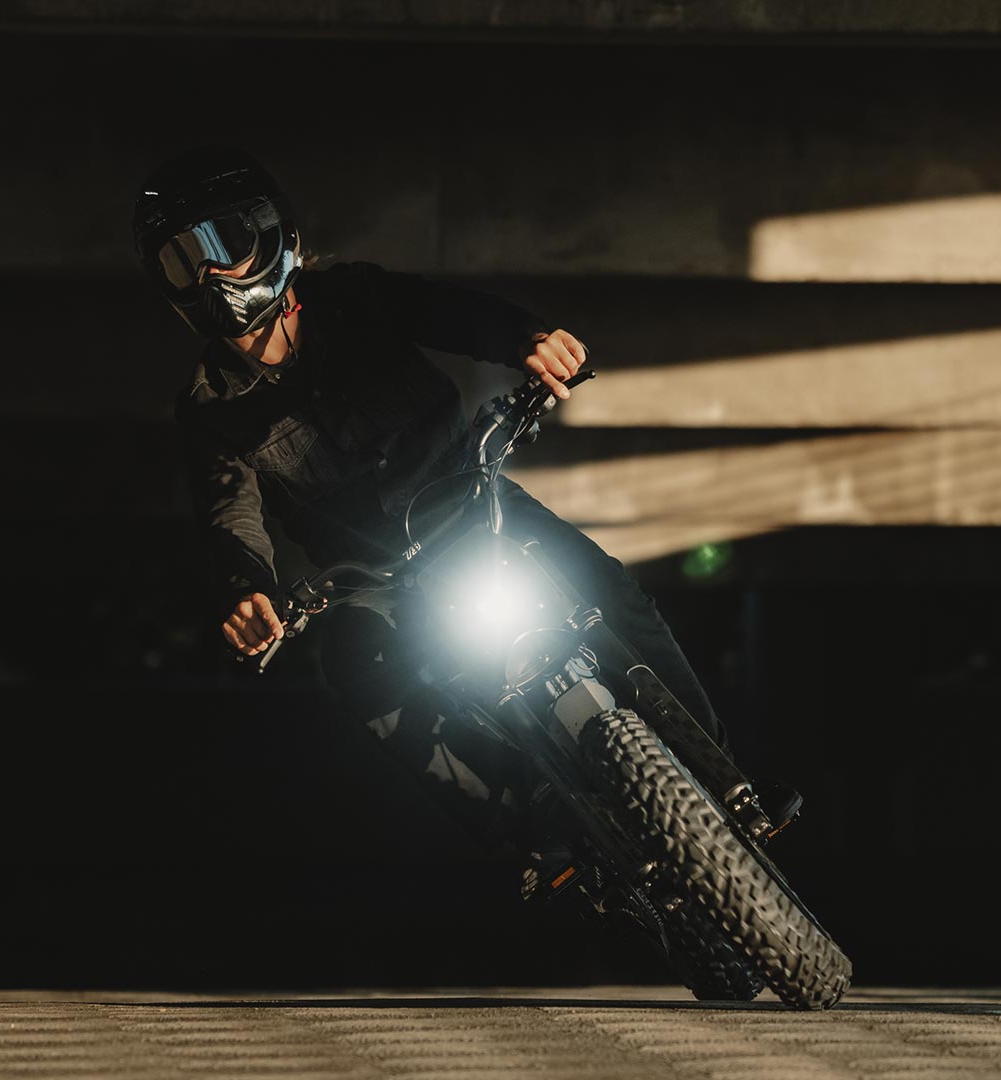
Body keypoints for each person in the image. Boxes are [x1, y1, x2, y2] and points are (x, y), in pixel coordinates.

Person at [132, 146, 784, 857]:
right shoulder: (209, 407)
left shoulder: (353, 297)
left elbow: (448, 313)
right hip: (376, 579)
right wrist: (249, 592)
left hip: (476, 505)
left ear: (268, 232)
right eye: (181, 260)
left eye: (218, 246)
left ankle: (727, 783)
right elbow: (229, 509)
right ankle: (538, 840)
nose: (207, 275)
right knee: (355, 673)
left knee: (611, 591)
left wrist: (529, 339)